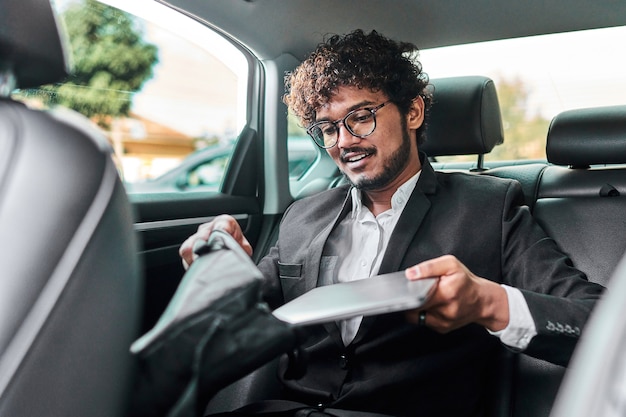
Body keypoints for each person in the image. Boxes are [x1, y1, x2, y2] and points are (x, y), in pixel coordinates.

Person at [180, 29, 604, 417]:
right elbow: (241, 323)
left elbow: (600, 324)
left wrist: (487, 303)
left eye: (361, 116)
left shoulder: (490, 208)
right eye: (327, 128)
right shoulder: (302, 216)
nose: (343, 141)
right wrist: (218, 270)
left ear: (413, 111)